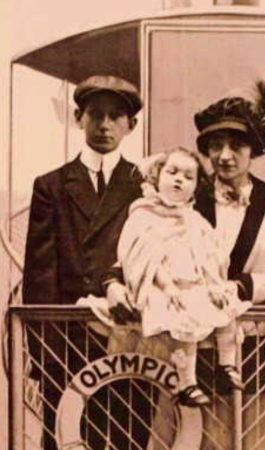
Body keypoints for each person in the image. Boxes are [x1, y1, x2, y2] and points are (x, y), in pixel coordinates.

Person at [106, 79, 265, 447]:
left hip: (253, 345)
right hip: (187, 343)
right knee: (186, 438)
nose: (225, 155)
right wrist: (113, 285)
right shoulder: (179, 198)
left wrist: (243, 286)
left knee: (253, 439)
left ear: (253, 149)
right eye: (215, 146)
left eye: (236, 145)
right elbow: (135, 255)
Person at [22, 75, 148, 450]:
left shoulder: (144, 184)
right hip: (70, 344)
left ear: (131, 125)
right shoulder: (52, 186)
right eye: (95, 115)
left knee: (129, 438)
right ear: (79, 118)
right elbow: (40, 277)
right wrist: (45, 356)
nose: (105, 125)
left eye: (115, 116)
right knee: (66, 439)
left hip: (128, 342)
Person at [108, 146, 251, 406]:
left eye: (188, 177)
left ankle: (227, 366)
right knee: (185, 321)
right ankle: (187, 383)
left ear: (195, 187)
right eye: (172, 172)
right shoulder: (144, 215)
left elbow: (209, 257)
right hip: (164, 286)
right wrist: (169, 286)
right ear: (156, 177)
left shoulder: (194, 220)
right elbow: (147, 257)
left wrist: (214, 285)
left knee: (227, 303)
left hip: (195, 283)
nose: (178, 180)